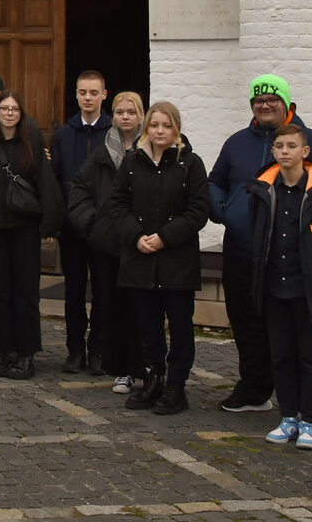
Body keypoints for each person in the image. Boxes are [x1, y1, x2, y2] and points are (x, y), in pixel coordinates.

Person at [208, 73, 312, 413]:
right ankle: (254, 387)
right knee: (246, 323)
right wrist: (223, 211)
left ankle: (305, 394)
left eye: (272, 99)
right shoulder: (236, 143)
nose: (264, 105)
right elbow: (215, 182)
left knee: (294, 326)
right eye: (258, 100)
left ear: (287, 103)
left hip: (290, 256)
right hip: (242, 250)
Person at [247, 124, 312, 450]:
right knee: (280, 356)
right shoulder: (265, 190)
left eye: (292, 146)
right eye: (279, 146)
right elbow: (257, 234)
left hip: (307, 290)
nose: (285, 151)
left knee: (309, 357)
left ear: (305, 152)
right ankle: (288, 415)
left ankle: (310, 419)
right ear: (274, 151)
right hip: (274, 289)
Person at [108, 101, 210, 416]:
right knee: (148, 326)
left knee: (180, 327)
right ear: (146, 128)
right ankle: (153, 379)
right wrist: (136, 236)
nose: (160, 131)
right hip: (140, 259)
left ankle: (176, 386)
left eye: (167, 126)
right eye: (155, 125)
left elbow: (198, 211)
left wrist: (165, 236)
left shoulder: (190, 164)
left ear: (176, 128)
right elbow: (118, 205)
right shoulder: (131, 163)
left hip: (177, 260)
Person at [0, 91, 64, 380]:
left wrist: (50, 225)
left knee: (25, 293)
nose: (9, 113)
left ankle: (25, 353)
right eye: (4, 108)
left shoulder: (31, 143)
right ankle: (0, 350)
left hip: (24, 230)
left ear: (21, 114)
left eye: (14, 109)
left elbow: (45, 183)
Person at [67, 91, 145, 395]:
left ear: (140, 115)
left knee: (141, 309)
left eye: (131, 112)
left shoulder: (150, 150)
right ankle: (121, 368)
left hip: (141, 244)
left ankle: (145, 365)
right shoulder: (102, 153)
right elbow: (80, 189)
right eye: (120, 112)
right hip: (109, 244)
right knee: (112, 307)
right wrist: (94, 224)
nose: (125, 117)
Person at [50, 70, 112, 374]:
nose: (88, 98)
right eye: (82, 92)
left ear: (104, 95)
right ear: (76, 95)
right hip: (72, 227)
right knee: (73, 291)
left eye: (93, 92)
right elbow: (58, 178)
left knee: (102, 290)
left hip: (104, 229)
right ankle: (75, 350)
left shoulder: (115, 133)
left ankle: (98, 349)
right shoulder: (63, 134)